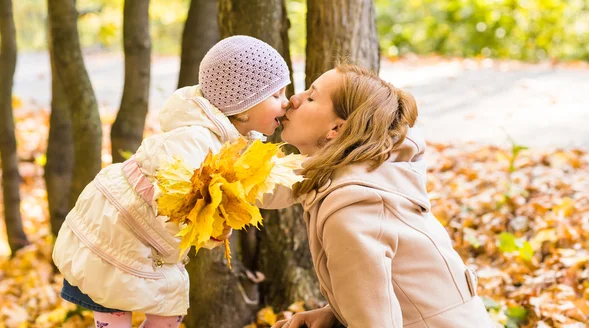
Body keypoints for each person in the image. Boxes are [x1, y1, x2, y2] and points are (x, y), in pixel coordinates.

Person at [52, 35, 291, 328]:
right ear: (244, 105)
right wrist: (207, 225)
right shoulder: (194, 139)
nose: (287, 103)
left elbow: (260, 189)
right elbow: (178, 196)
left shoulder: (239, 146)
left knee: (169, 314)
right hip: (116, 230)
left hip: (149, 243)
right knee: (114, 308)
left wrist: (310, 182)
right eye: (277, 96)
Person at [265, 64, 493, 328]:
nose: (294, 99)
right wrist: (335, 313)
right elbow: (399, 289)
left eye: (311, 97)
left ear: (336, 129)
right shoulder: (366, 178)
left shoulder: (352, 208)